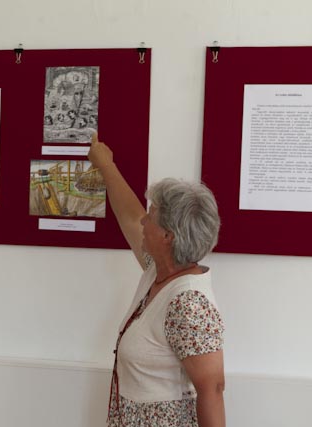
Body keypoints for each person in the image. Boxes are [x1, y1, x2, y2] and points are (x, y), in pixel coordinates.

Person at [88, 134, 225, 427]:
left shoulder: (189, 302)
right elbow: (130, 216)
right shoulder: (159, 270)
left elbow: (212, 389)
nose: (143, 221)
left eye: (151, 216)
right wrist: (106, 165)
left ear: (167, 236)